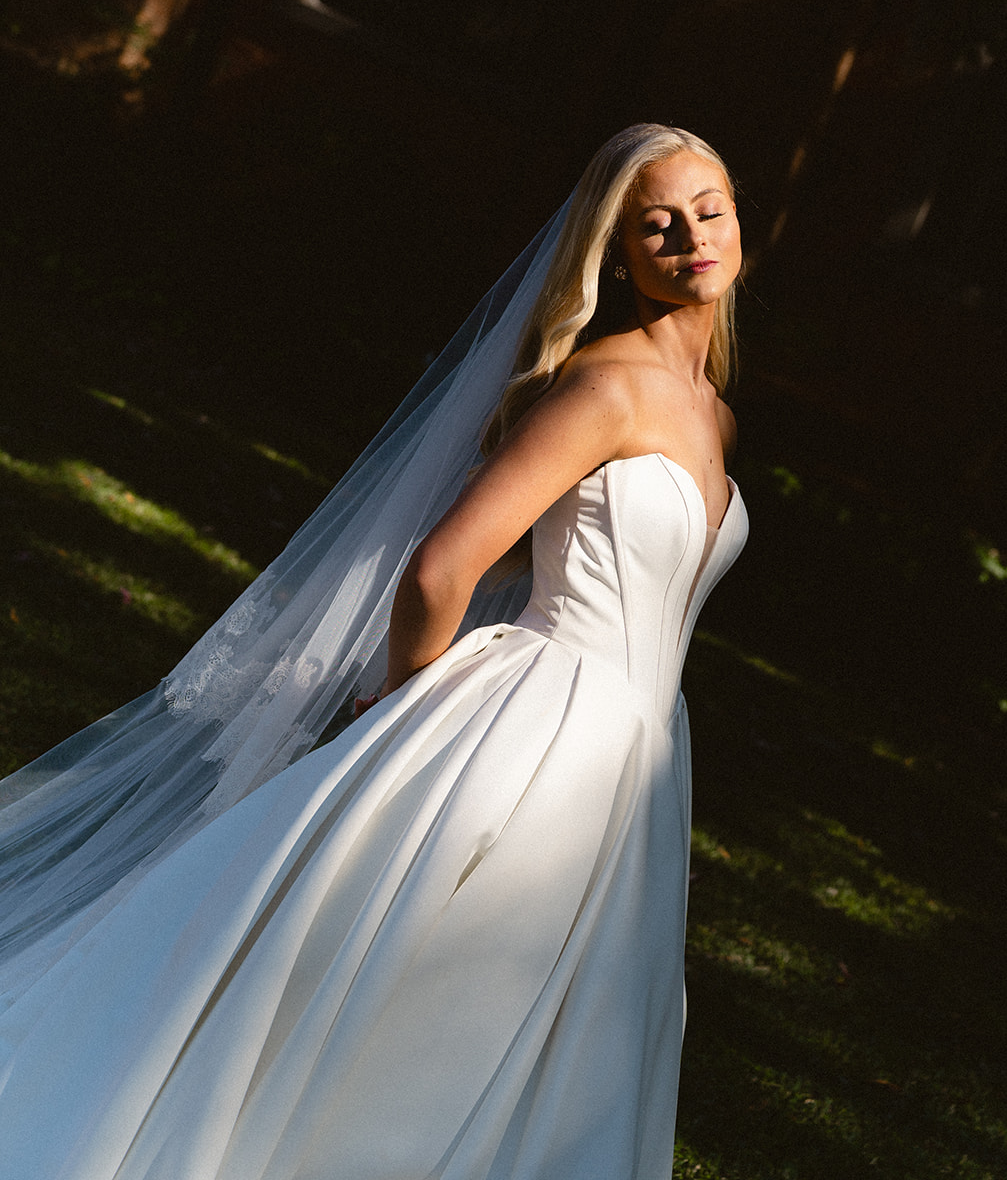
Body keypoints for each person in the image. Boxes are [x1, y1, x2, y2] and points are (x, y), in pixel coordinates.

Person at [0, 123, 748, 1180]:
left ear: (739, 219)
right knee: (414, 997)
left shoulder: (712, 413)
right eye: (655, 222)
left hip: (637, 760)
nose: (687, 237)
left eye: (706, 209)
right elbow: (442, 568)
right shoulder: (605, 388)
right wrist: (400, 709)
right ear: (613, 252)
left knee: (540, 1020)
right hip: (535, 725)